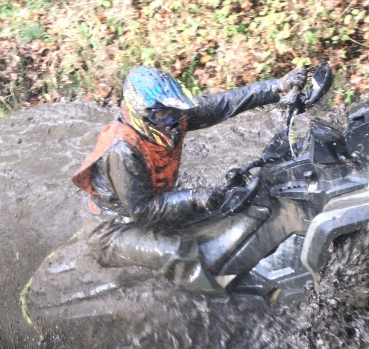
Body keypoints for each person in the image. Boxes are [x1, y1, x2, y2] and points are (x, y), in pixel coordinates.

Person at [72, 66, 306, 294]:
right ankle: (217, 302)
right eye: (163, 115)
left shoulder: (171, 117)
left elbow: (224, 104)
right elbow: (143, 211)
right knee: (177, 251)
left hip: (146, 204)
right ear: (141, 114)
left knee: (229, 207)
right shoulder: (122, 150)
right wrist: (194, 198)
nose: (173, 121)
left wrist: (276, 87)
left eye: (175, 111)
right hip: (115, 228)